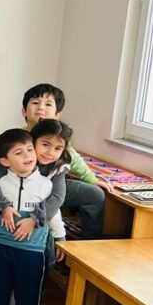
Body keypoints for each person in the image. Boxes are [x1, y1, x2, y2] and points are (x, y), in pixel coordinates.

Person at [0, 119, 73, 305]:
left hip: (35, 240)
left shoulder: (52, 177)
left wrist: (57, 235)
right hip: (5, 242)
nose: (50, 153)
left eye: (57, 148)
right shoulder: (5, 173)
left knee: (32, 279)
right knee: (0, 281)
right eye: (45, 145)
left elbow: (56, 204)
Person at [20, 83, 111, 238]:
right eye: (35, 103)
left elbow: (73, 159)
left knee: (95, 194)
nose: (41, 108)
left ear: (57, 115)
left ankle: (88, 241)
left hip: (54, 184)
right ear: (24, 111)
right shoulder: (18, 137)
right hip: (25, 188)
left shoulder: (60, 137)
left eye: (48, 104)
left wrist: (92, 180)